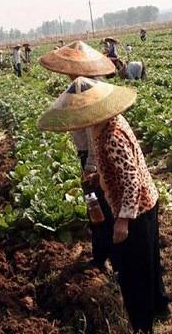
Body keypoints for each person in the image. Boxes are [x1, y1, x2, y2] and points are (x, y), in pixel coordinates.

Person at [38, 78, 169, 334]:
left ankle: (142, 326)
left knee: (135, 274)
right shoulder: (110, 123)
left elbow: (130, 179)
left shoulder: (111, 136)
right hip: (147, 202)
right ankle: (158, 309)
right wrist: (99, 178)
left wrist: (123, 219)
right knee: (148, 265)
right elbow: (121, 170)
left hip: (137, 209)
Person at [39, 41, 116, 269]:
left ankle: (107, 257)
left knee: (101, 208)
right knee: (97, 208)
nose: (67, 73)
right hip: (90, 156)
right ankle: (103, 254)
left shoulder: (92, 91)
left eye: (70, 68)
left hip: (97, 158)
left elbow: (96, 136)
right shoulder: (80, 85)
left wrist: (91, 167)